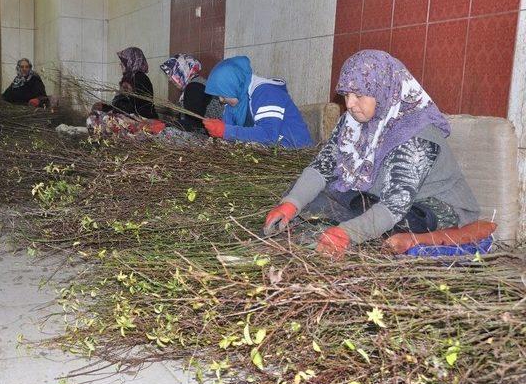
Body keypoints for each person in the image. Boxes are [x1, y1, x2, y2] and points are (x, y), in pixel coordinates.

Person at [263, 50, 481, 258]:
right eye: (346, 95)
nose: (349, 104)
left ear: (383, 90)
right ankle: (346, 224)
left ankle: (348, 229)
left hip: (426, 208)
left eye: (358, 95)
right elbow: (324, 166)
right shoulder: (353, 121)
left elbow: (395, 205)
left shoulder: (416, 133)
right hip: (376, 194)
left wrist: (348, 233)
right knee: (307, 196)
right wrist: (292, 202)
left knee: (395, 226)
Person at [201, 56, 313, 148]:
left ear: (235, 86)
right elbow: (231, 136)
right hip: (268, 155)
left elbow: (268, 136)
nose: (221, 100)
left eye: (223, 95)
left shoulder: (267, 94)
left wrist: (225, 131)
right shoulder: (233, 105)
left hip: (294, 152)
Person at [159, 54, 223, 133]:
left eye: (172, 74)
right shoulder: (198, 83)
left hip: (209, 134)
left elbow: (193, 123)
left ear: (182, 70)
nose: (170, 80)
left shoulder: (194, 87)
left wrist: (165, 125)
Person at [111, 47, 158, 119]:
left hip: (144, 123)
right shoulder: (131, 78)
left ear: (132, 61)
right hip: (137, 120)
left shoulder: (139, 78)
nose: (120, 64)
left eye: (124, 61)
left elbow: (132, 105)